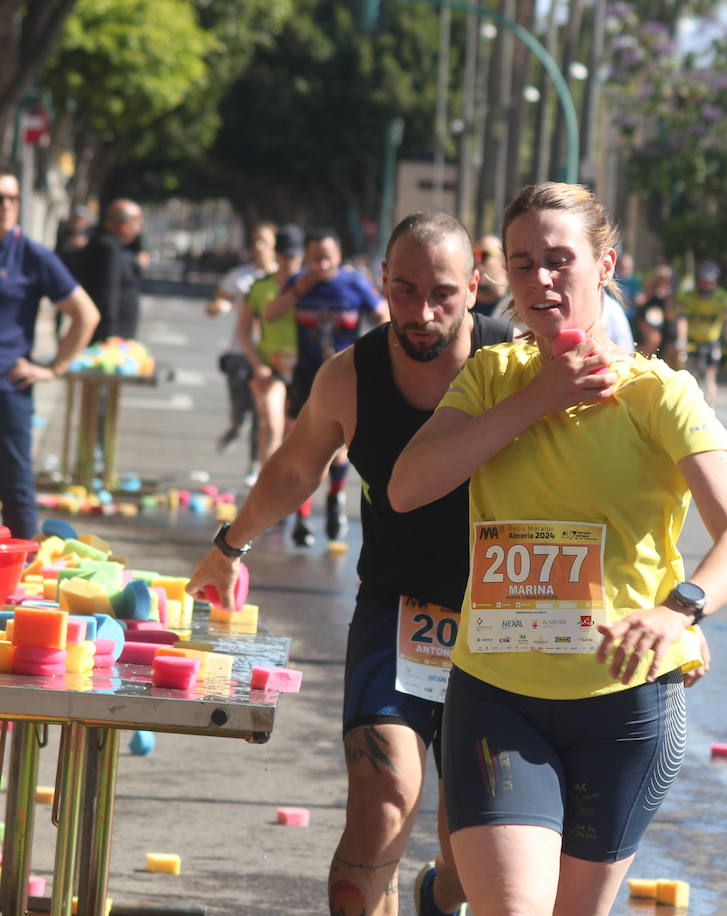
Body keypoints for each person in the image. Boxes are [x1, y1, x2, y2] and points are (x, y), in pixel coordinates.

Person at [390, 182, 727, 916]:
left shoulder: (660, 395)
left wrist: (680, 611)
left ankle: (439, 898)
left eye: (560, 260)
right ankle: (445, 895)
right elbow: (408, 486)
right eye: (522, 264)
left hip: (623, 706)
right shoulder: (494, 377)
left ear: (604, 265)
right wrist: (540, 398)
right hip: (498, 695)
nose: (540, 280)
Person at [189, 211, 512, 916]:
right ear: (380, 285)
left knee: (470, 853)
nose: (422, 313)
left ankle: (438, 892)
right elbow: (294, 468)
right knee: (384, 794)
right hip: (398, 609)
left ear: (477, 287)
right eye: (404, 291)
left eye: (444, 294)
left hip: (501, 622)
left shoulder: (514, 364)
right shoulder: (351, 376)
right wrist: (227, 546)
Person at [263, 229, 388, 546]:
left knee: (339, 448)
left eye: (326, 258)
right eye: (314, 258)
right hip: (307, 376)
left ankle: (333, 500)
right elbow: (270, 315)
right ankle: (302, 517)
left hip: (346, 376)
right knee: (299, 445)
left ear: (338, 257)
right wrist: (295, 293)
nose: (320, 265)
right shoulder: (300, 283)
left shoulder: (353, 283)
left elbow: (383, 316)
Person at [0, 162, 99, 539]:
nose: (6, 205)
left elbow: (85, 315)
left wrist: (53, 368)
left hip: (9, 391)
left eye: (12, 197)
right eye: (0, 198)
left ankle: (15, 578)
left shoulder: (32, 255)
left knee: (16, 489)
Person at [207, 222, 277, 473]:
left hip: (268, 355)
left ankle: (254, 465)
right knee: (241, 409)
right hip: (239, 352)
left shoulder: (284, 278)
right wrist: (216, 307)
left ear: (274, 246)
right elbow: (217, 302)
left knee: (263, 414)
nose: (259, 246)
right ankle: (236, 427)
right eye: (255, 240)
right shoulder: (239, 276)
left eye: (264, 241)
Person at [237, 224, 305, 479]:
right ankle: (267, 484)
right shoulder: (261, 287)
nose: (289, 262)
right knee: (272, 423)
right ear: (277, 254)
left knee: (292, 433)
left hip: (302, 369)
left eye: (295, 257)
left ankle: (283, 488)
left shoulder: (310, 286)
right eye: (285, 256)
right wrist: (258, 365)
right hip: (270, 367)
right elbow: (243, 330)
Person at [74, 198, 142, 342]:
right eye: (137, 223)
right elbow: (108, 293)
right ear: (125, 224)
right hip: (110, 338)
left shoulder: (109, 244)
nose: (138, 229)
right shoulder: (108, 247)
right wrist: (109, 335)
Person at [676, 261, 727, 405]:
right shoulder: (688, 296)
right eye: (703, 282)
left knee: (710, 377)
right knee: (689, 377)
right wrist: (681, 340)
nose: (706, 286)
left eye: (710, 282)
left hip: (711, 342)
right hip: (692, 342)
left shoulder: (723, 298)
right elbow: (682, 319)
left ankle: (709, 409)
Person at [634, 266, 674, 359]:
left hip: (662, 323)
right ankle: (637, 358)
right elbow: (640, 301)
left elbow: (669, 314)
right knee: (653, 340)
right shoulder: (650, 289)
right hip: (646, 320)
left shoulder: (669, 293)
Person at [471, 235, 510, 318]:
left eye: (483, 255)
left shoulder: (517, 311)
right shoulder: (462, 310)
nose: (476, 261)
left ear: (503, 260)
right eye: (472, 256)